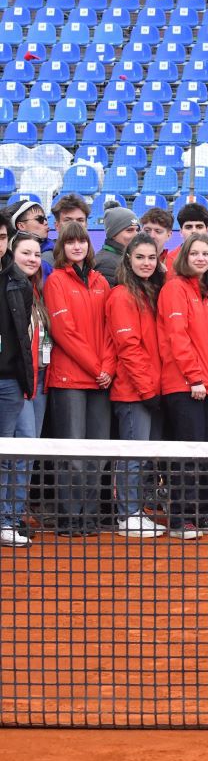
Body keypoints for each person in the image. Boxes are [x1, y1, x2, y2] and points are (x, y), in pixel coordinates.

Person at [43, 222, 114, 536]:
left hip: (100, 381)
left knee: (96, 456)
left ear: (88, 245)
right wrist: (97, 368)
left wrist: (108, 369)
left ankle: (88, 517)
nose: (76, 247)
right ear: (63, 247)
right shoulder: (56, 281)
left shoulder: (101, 282)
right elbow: (64, 332)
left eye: (81, 241)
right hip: (70, 379)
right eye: (70, 242)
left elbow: (112, 329)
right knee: (71, 456)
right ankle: (69, 518)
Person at [157, 233, 208, 539]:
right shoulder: (175, 288)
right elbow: (178, 337)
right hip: (186, 386)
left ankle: (200, 515)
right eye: (195, 253)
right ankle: (181, 519)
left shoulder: (204, 294)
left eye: (206, 254)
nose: (201, 258)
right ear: (185, 256)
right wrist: (194, 377)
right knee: (188, 454)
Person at [105, 233, 165, 538]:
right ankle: (128, 514)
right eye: (140, 257)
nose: (146, 263)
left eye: (151, 258)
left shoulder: (149, 292)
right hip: (134, 392)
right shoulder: (121, 295)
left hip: (151, 390)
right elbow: (128, 347)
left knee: (143, 457)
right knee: (132, 455)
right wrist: (147, 390)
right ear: (128, 259)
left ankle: (137, 510)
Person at [0, 234, 41, 547]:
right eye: (25, 252)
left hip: (19, 382)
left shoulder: (21, 285)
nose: (32, 258)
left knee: (24, 450)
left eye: (37, 253)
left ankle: (10, 519)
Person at [95, 204, 140, 287]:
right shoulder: (107, 263)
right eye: (129, 230)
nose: (136, 235)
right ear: (113, 234)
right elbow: (107, 298)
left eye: (137, 230)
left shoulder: (122, 257)